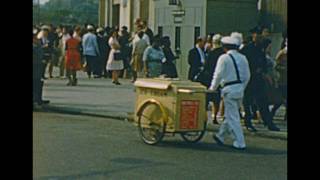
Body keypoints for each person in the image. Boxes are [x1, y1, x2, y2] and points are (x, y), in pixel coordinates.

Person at [209, 36, 250, 150]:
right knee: (230, 114)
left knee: (233, 117)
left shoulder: (224, 58)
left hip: (229, 89)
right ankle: (220, 136)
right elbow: (247, 76)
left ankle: (240, 142)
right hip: (240, 89)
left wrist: (212, 88)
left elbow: (217, 75)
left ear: (225, 47)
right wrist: (242, 87)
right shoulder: (243, 58)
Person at [240, 27, 280, 131]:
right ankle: (247, 122)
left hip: (259, 78)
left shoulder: (261, 48)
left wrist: (265, 73)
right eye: (256, 34)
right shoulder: (247, 48)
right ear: (253, 36)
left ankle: (268, 122)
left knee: (263, 101)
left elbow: (263, 63)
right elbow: (243, 63)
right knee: (247, 101)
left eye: (259, 35)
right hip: (249, 78)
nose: (258, 37)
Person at [205, 34, 225, 125]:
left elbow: (207, 66)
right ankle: (215, 115)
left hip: (210, 77)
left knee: (208, 97)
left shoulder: (211, 53)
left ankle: (205, 116)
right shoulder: (223, 53)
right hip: (221, 77)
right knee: (217, 99)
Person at [271, 38, 287, 121]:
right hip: (282, 80)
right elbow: (276, 66)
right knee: (281, 99)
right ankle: (272, 112)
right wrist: (284, 68)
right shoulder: (281, 54)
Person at [33, 29, 49, 105]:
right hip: (34, 67)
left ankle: (38, 99)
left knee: (38, 83)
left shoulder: (38, 45)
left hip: (38, 67)